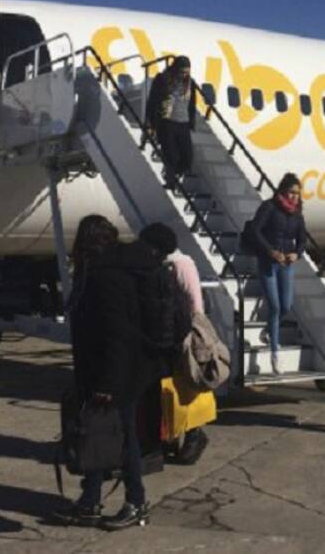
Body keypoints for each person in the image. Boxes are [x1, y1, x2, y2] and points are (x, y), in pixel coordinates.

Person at [54, 215, 164, 530]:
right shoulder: (103, 270)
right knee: (96, 434)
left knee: (124, 437)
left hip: (119, 374)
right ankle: (90, 501)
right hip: (110, 371)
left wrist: (107, 384)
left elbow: (118, 336)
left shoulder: (107, 277)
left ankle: (136, 502)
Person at [138, 223, 210, 462]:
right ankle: (168, 436)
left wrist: (194, 336)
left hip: (182, 336)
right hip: (161, 338)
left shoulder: (182, 264)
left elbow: (195, 302)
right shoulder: (155, 266)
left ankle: (194, 434)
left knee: (186, 387)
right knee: (165, 389)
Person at [249, 173, 307, 375]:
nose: (294, 197)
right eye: (291, 192)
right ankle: (275, 351)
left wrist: (296, 254)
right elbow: (255, 231)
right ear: (283, 191)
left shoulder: (297, 214)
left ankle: (269, 329)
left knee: (286, 305)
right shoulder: (269, 207)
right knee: (274, 306)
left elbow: (302, 240)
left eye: (297, 194)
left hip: (286, 265)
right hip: (268, 262)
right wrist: (270, 251)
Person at [145, 55, 198, 189]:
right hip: (166, 123)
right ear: (175, 68)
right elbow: (152, 101)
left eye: (187, 71)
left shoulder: (190, 83)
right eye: (182, 71)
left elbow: (192, 103)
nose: (184, 74)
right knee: (171, 156)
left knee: (187, 158)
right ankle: (170, 180)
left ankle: (172, 174)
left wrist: (192, 121)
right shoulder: (162, 79)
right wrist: (151, 124)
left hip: (183, 123)